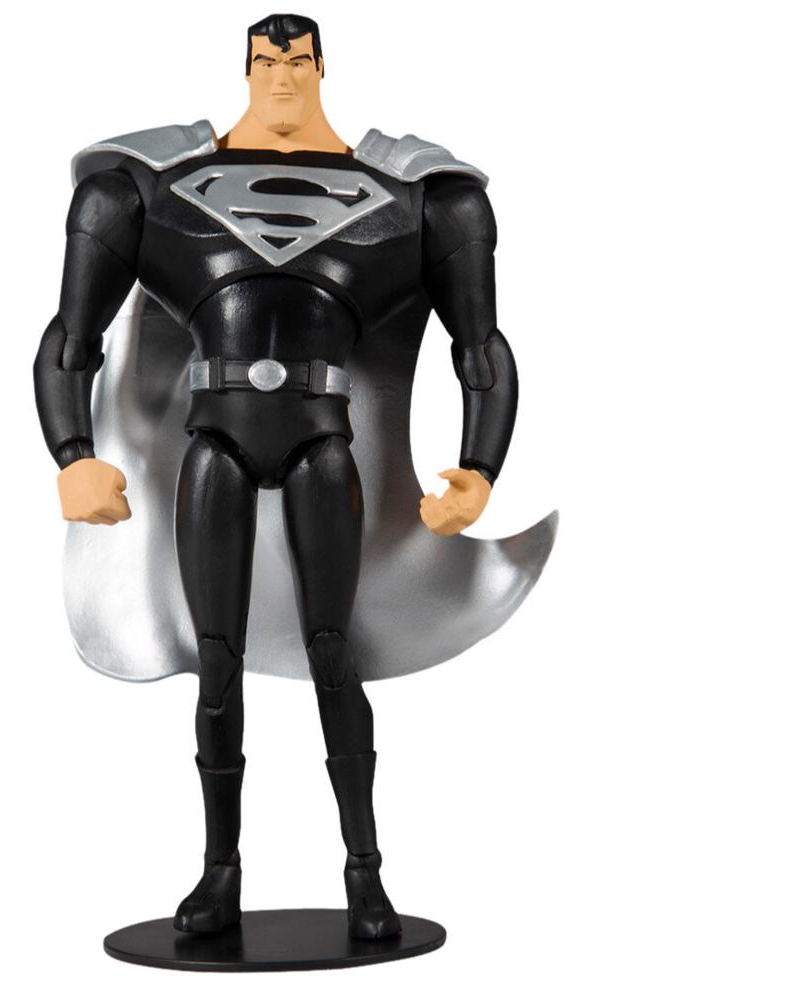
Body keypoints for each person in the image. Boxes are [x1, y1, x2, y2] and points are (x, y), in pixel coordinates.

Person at [34, 13, 518, 940]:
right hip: (213, 436)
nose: (283, 75)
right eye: (267, 59)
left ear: (321, 66)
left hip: (322, 437)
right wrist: (72, 455)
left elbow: (482, 348)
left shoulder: (418, 197)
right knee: (216, 663)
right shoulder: (145, 186)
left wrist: (480, 468)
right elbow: (70, 337)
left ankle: (366, 876)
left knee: (336, 653)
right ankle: (219, 874)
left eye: (297, 60)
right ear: (247, 67)